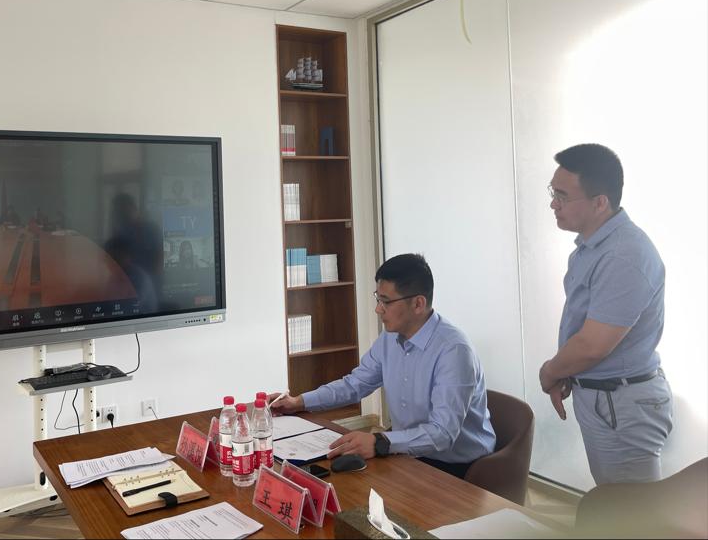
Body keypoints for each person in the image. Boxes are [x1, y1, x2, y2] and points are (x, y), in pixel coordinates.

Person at [271, 254, 495, 479]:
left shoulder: (454, 351)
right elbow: (354, 384)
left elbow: (443, 434)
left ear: (418, 304)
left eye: (386, 301)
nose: (378, 309)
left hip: (458, 467)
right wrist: (299, 402)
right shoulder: (390, 337)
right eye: (378, 299)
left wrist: (381, 442)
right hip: (407, 451)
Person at [539, 144, 672, 485]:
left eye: (563, 196)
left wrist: (551, 371)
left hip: (622, 404)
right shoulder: (592, 247)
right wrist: (567, 372)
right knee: (616, 503)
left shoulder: (624, 255)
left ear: (600, 202)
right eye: (553, 192)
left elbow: (592, 345)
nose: (553, 204)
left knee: (631, 511)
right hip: (604, 398)